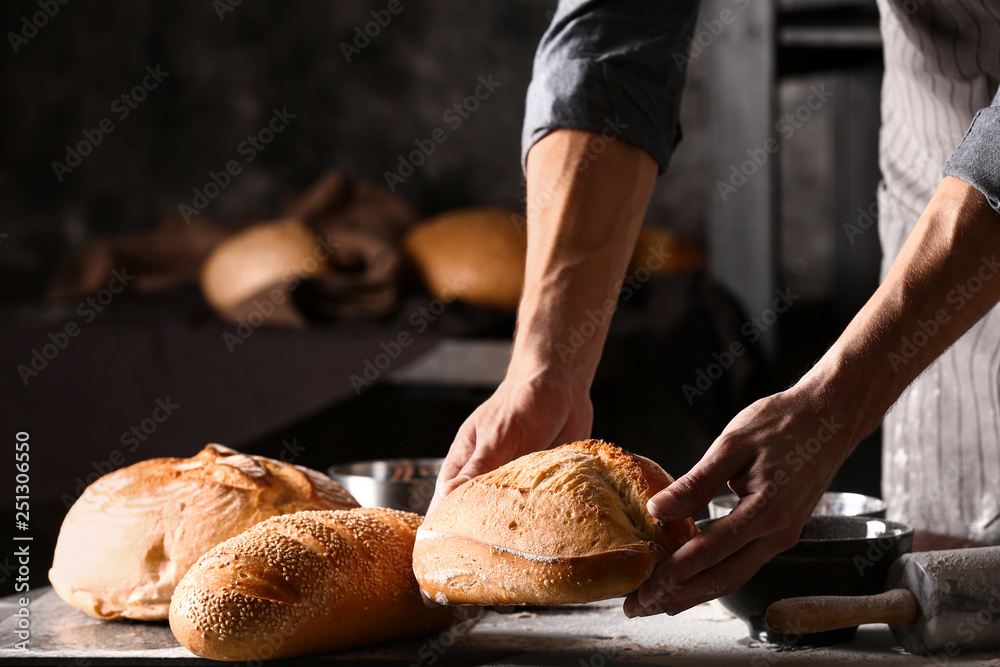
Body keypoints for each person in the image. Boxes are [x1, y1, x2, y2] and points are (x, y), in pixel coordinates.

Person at [430, 0, 1000, 618]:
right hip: (935, 140)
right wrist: (548, 364)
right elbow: (612, 38)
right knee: (952, 601)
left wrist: (839, 398)